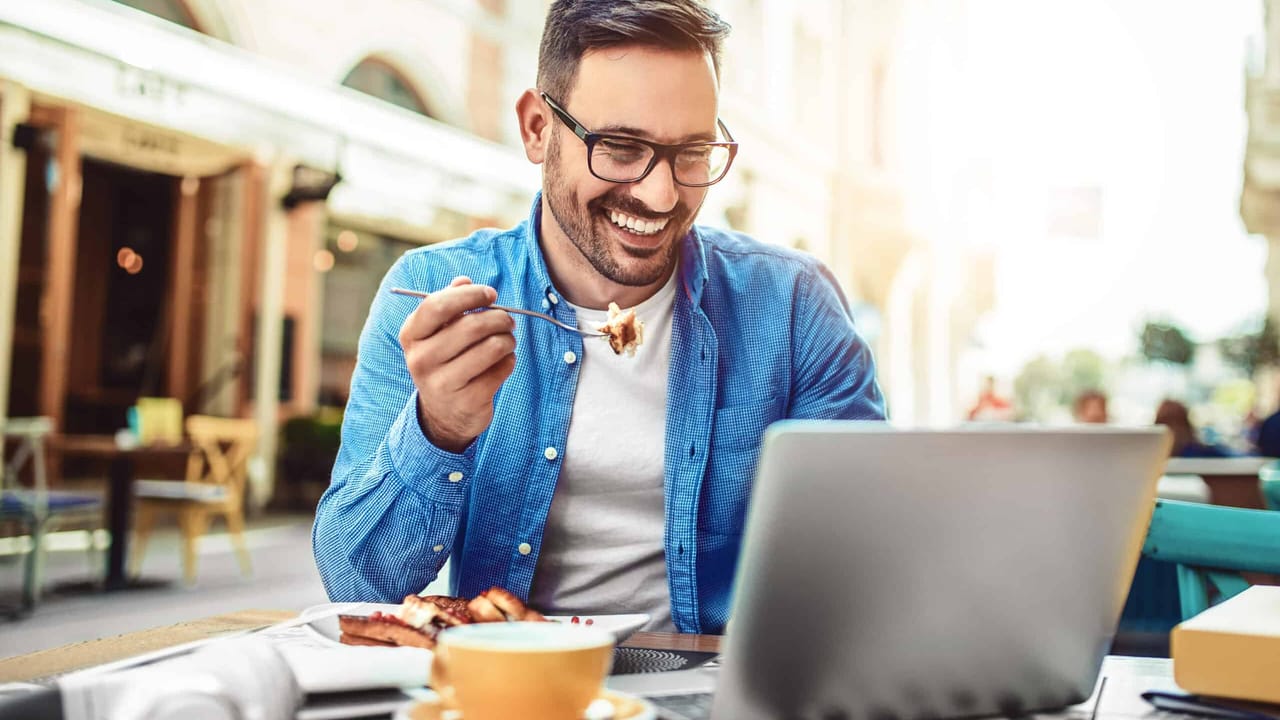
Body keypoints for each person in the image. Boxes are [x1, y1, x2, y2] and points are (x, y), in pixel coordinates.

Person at [312, 0, 886, 634]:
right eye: (619, 147)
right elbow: (355, 580)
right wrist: (438, 429)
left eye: (692, 153)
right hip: (517, 688)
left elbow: (866, 554)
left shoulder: (794, 305)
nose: (660, 194)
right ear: (537, 128)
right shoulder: (428, 293)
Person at [1154, 399, 1232, 458]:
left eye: (1176, 423)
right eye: (1167, 423)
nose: (1173, 430)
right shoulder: (1154, 455)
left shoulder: (1200, 451)